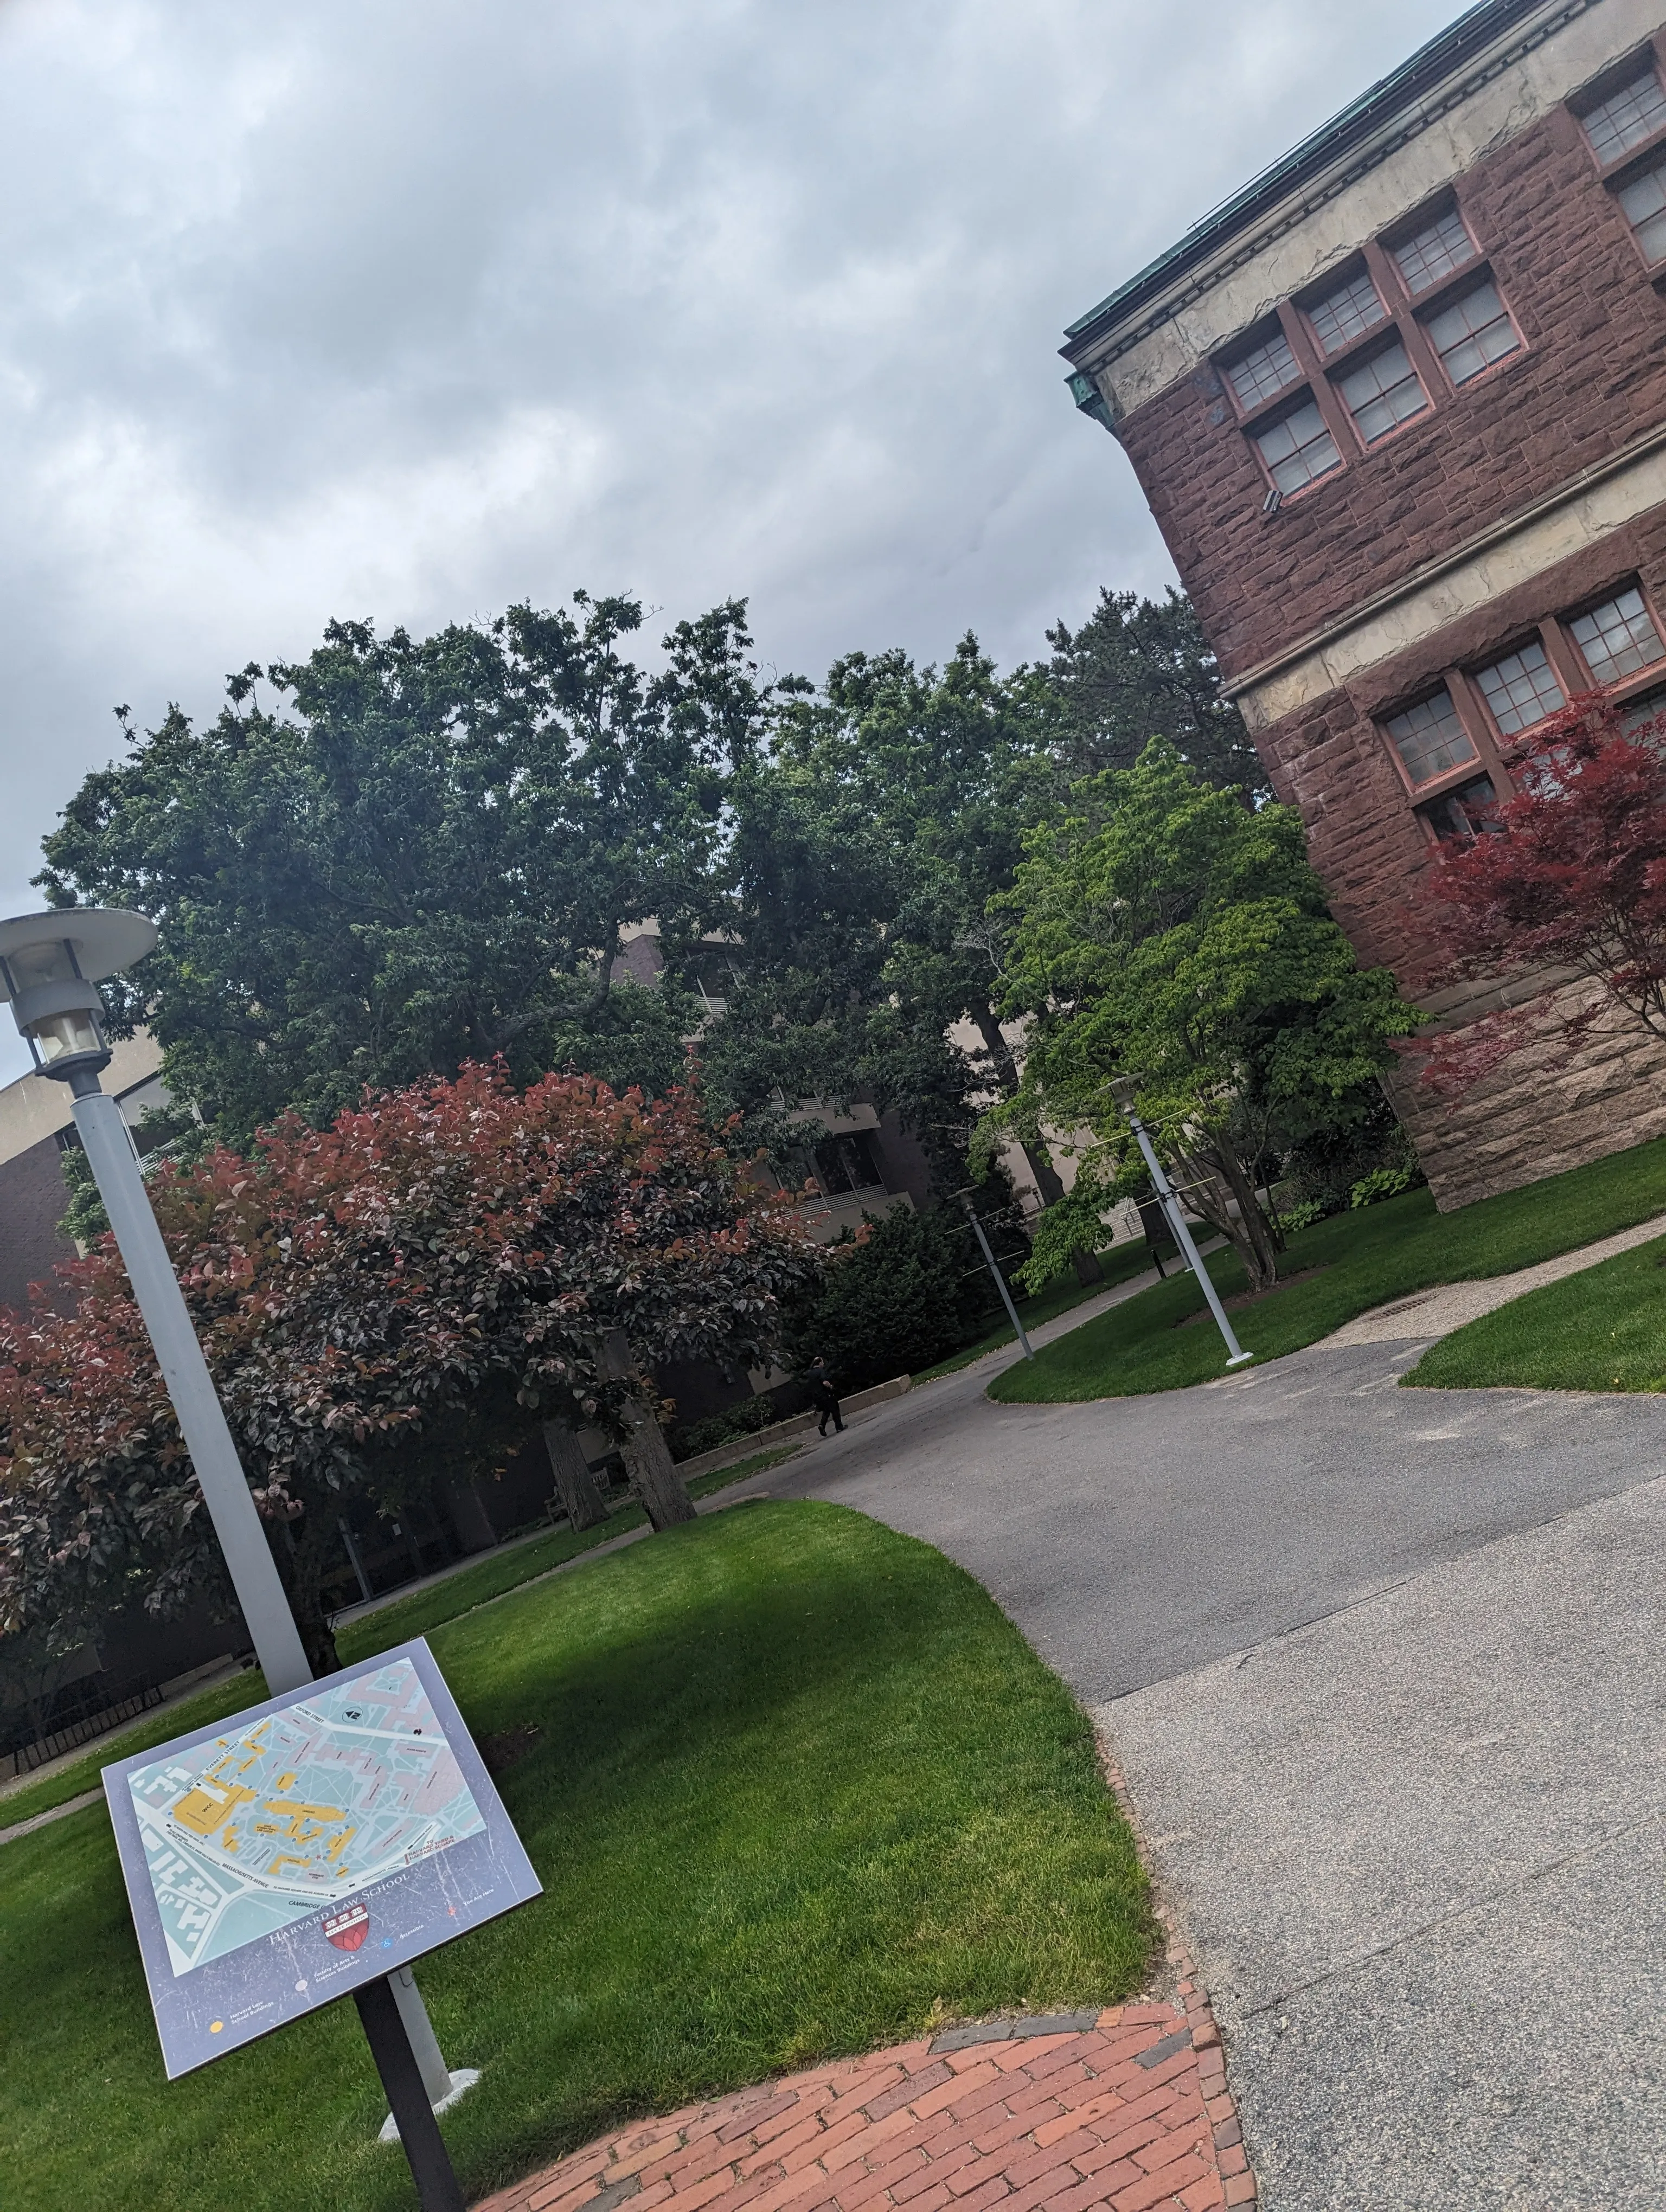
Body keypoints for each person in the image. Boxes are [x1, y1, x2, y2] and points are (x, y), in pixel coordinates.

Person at [805, 1355, 843, 1437]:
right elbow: (825, 1382)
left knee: (827, 1409)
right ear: (820, 1363)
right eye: (822, 1362)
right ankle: (839, 1427)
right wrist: (831, 1386)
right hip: (825, 1395)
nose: (823, 1364)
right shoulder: (820, 1371)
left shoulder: (809, 1374)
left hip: (816, 1398)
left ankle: (822, 1425)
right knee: (835, 1408)